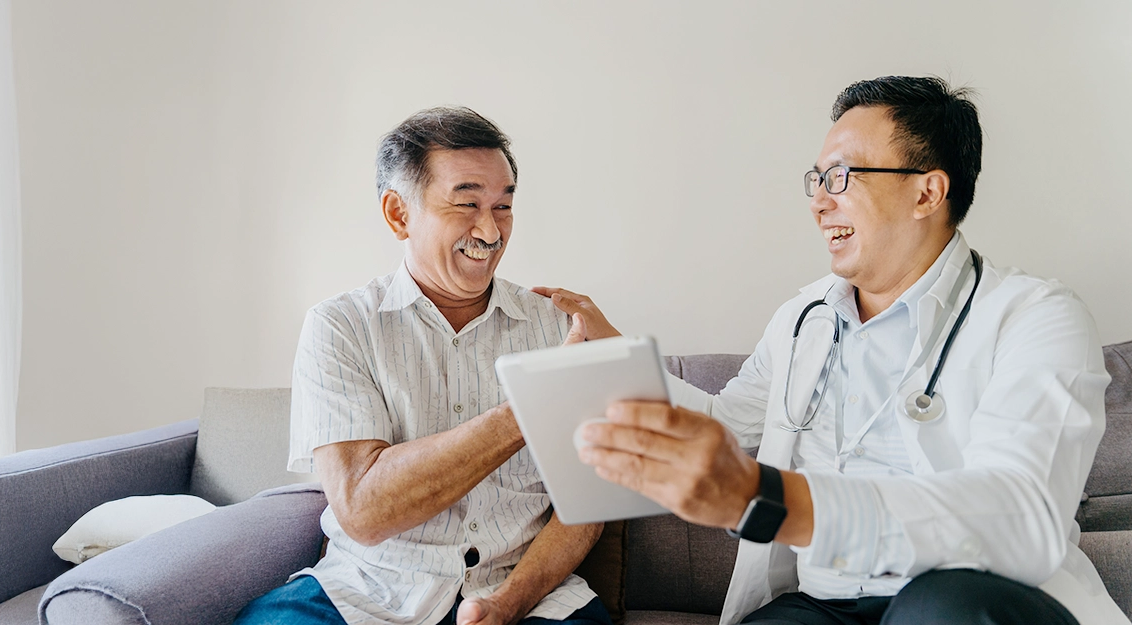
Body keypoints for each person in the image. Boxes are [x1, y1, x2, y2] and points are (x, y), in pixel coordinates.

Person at [549, 76, 1126, 625]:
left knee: (938, 611)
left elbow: (1019, 516)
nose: (819, 203)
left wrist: (769, 499)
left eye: (842, 177)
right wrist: (614, 354)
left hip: (968, 593)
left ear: (927, 190)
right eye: (816, 179)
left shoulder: (1036, 316)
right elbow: (728, 424)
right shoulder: (803, 319)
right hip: (828, 600)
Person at [233, 106, 611, 625]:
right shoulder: (340, 326)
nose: (491, 230)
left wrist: (507, 604)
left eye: (503, 206)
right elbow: (363, 510)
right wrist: (538, 399)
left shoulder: (558, 328)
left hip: (528, 596)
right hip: (365, 592)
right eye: (467, 203)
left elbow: (586, 507)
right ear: (399, 214)